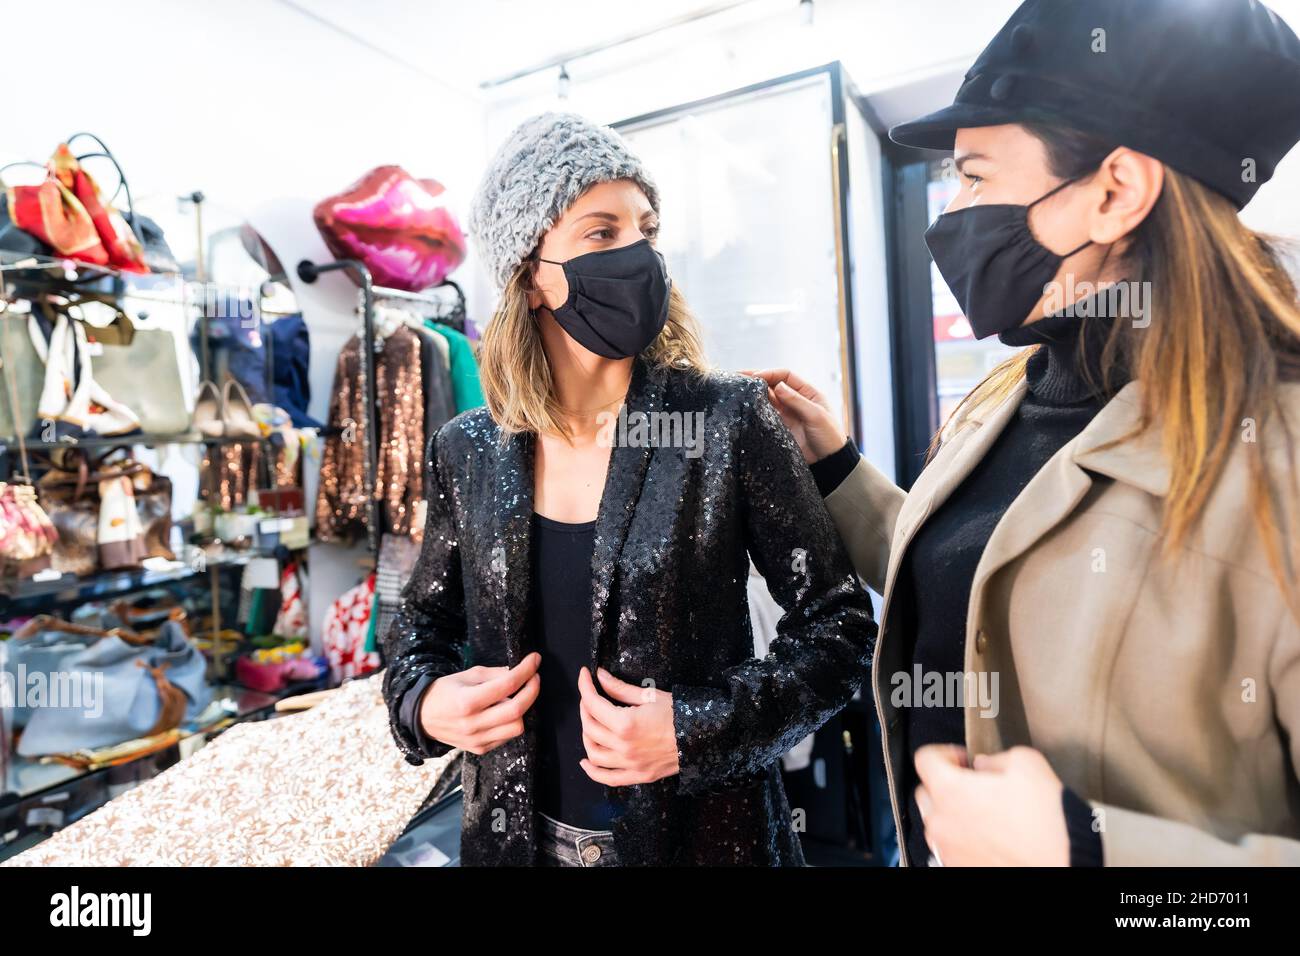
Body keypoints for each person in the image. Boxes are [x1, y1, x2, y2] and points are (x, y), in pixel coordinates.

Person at [758, 0, 1300, 865]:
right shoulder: (1014, 387)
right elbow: (992, 575)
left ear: (1116, 190)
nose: (953, 211)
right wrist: (837, 466)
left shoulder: (1277, 453)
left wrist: (1088, 851)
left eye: (974, 176)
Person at [380, 112, 876, 866]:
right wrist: (425, 704)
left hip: (706, 843)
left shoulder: (725, 419)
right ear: (531, 275)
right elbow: (419, 627)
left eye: (645, 228)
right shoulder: (467, 450)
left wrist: (695, 728)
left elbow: (840, 631)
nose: (637, 253)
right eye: (601, 233)